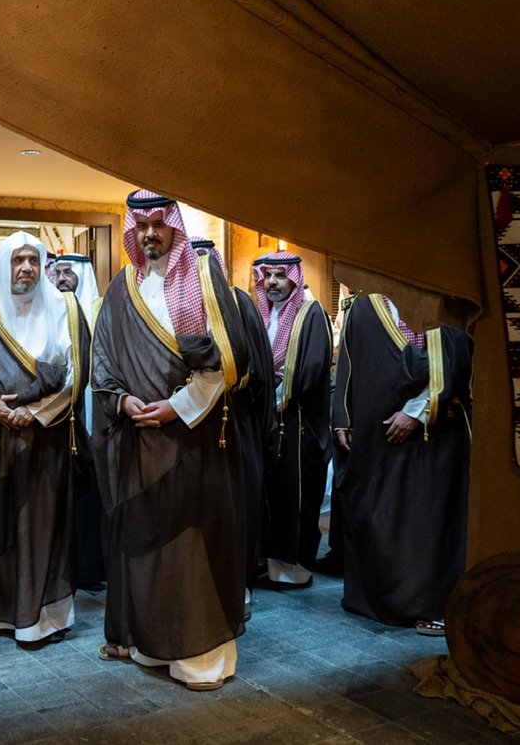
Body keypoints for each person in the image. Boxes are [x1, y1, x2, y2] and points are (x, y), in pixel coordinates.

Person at [92, 189, 265, 691]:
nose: (150, 234)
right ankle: (152, 644)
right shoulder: (122, 287)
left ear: (175, 226)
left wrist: (178, 407)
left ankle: (200, 658)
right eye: (141, 226)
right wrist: (122, 400)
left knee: (191, 546)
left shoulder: (203, 277)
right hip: (138, 444)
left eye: (159, 224)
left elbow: (227, 363)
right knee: (147, 547)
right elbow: (102, 358)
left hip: (193, 441)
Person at [0, 231, 88, 646]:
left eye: (33, 260)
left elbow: (77, 371)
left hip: (45, 440)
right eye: (18, 261)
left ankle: (43, 620)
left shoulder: (64, 307)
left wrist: (35, 412)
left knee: (42, 526)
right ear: (4, 265)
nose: (26, 268)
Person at [332, 293, 472, 636]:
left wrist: (416, 411)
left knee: (425, 524)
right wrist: (343, 418)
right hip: (374, 435)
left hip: (432, 439)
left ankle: (428, 604)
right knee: (377, 514)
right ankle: (378, 598)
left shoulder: (440, 303)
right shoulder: (363, 305)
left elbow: (453, 362)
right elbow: (348, 361)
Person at [250, 252, 332, 589]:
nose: (272, 282)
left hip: (298, 424)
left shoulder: (311, 314)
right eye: (267, 275)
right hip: (269, 424)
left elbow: (310, 370)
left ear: (294, 280)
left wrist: (275, 394)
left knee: (295, 498)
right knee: (271, 496)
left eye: (280, 276)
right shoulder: (264, 314)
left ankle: (294, 573)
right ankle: (271, 566)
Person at [51, 252, 106, 591]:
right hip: (56, 417)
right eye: (56, 273)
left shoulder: (100, 310)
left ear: (82, 276)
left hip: (93, 415)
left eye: (68, 273)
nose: (61, 279)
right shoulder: (48, 311)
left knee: (92, 494)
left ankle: (89, 568)